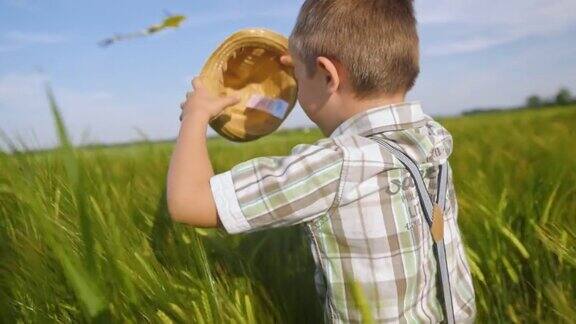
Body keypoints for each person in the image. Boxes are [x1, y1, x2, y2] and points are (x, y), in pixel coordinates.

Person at [166, 0, 477, 322]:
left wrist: (196, 115)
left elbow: (189, 203)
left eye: (297, 76)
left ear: (328, 76)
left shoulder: (337, 165)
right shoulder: (432, 138)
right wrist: (303, 64)